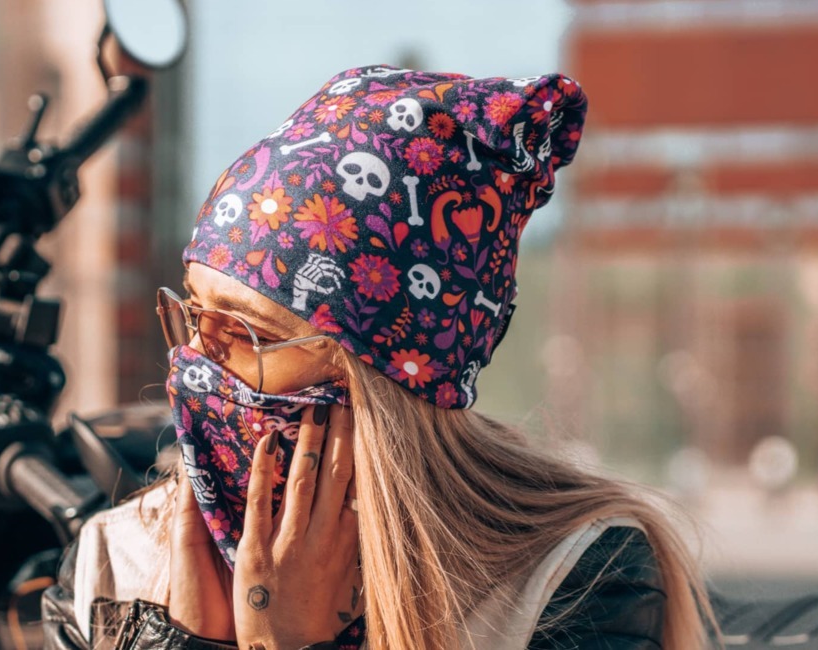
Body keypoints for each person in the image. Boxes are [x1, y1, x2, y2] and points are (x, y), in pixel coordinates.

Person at [44, 65, 715, 649]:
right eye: (193, 312)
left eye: (252, 334)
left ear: (387, 380)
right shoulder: (112, 563)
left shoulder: (570, 578)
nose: (196, 360)